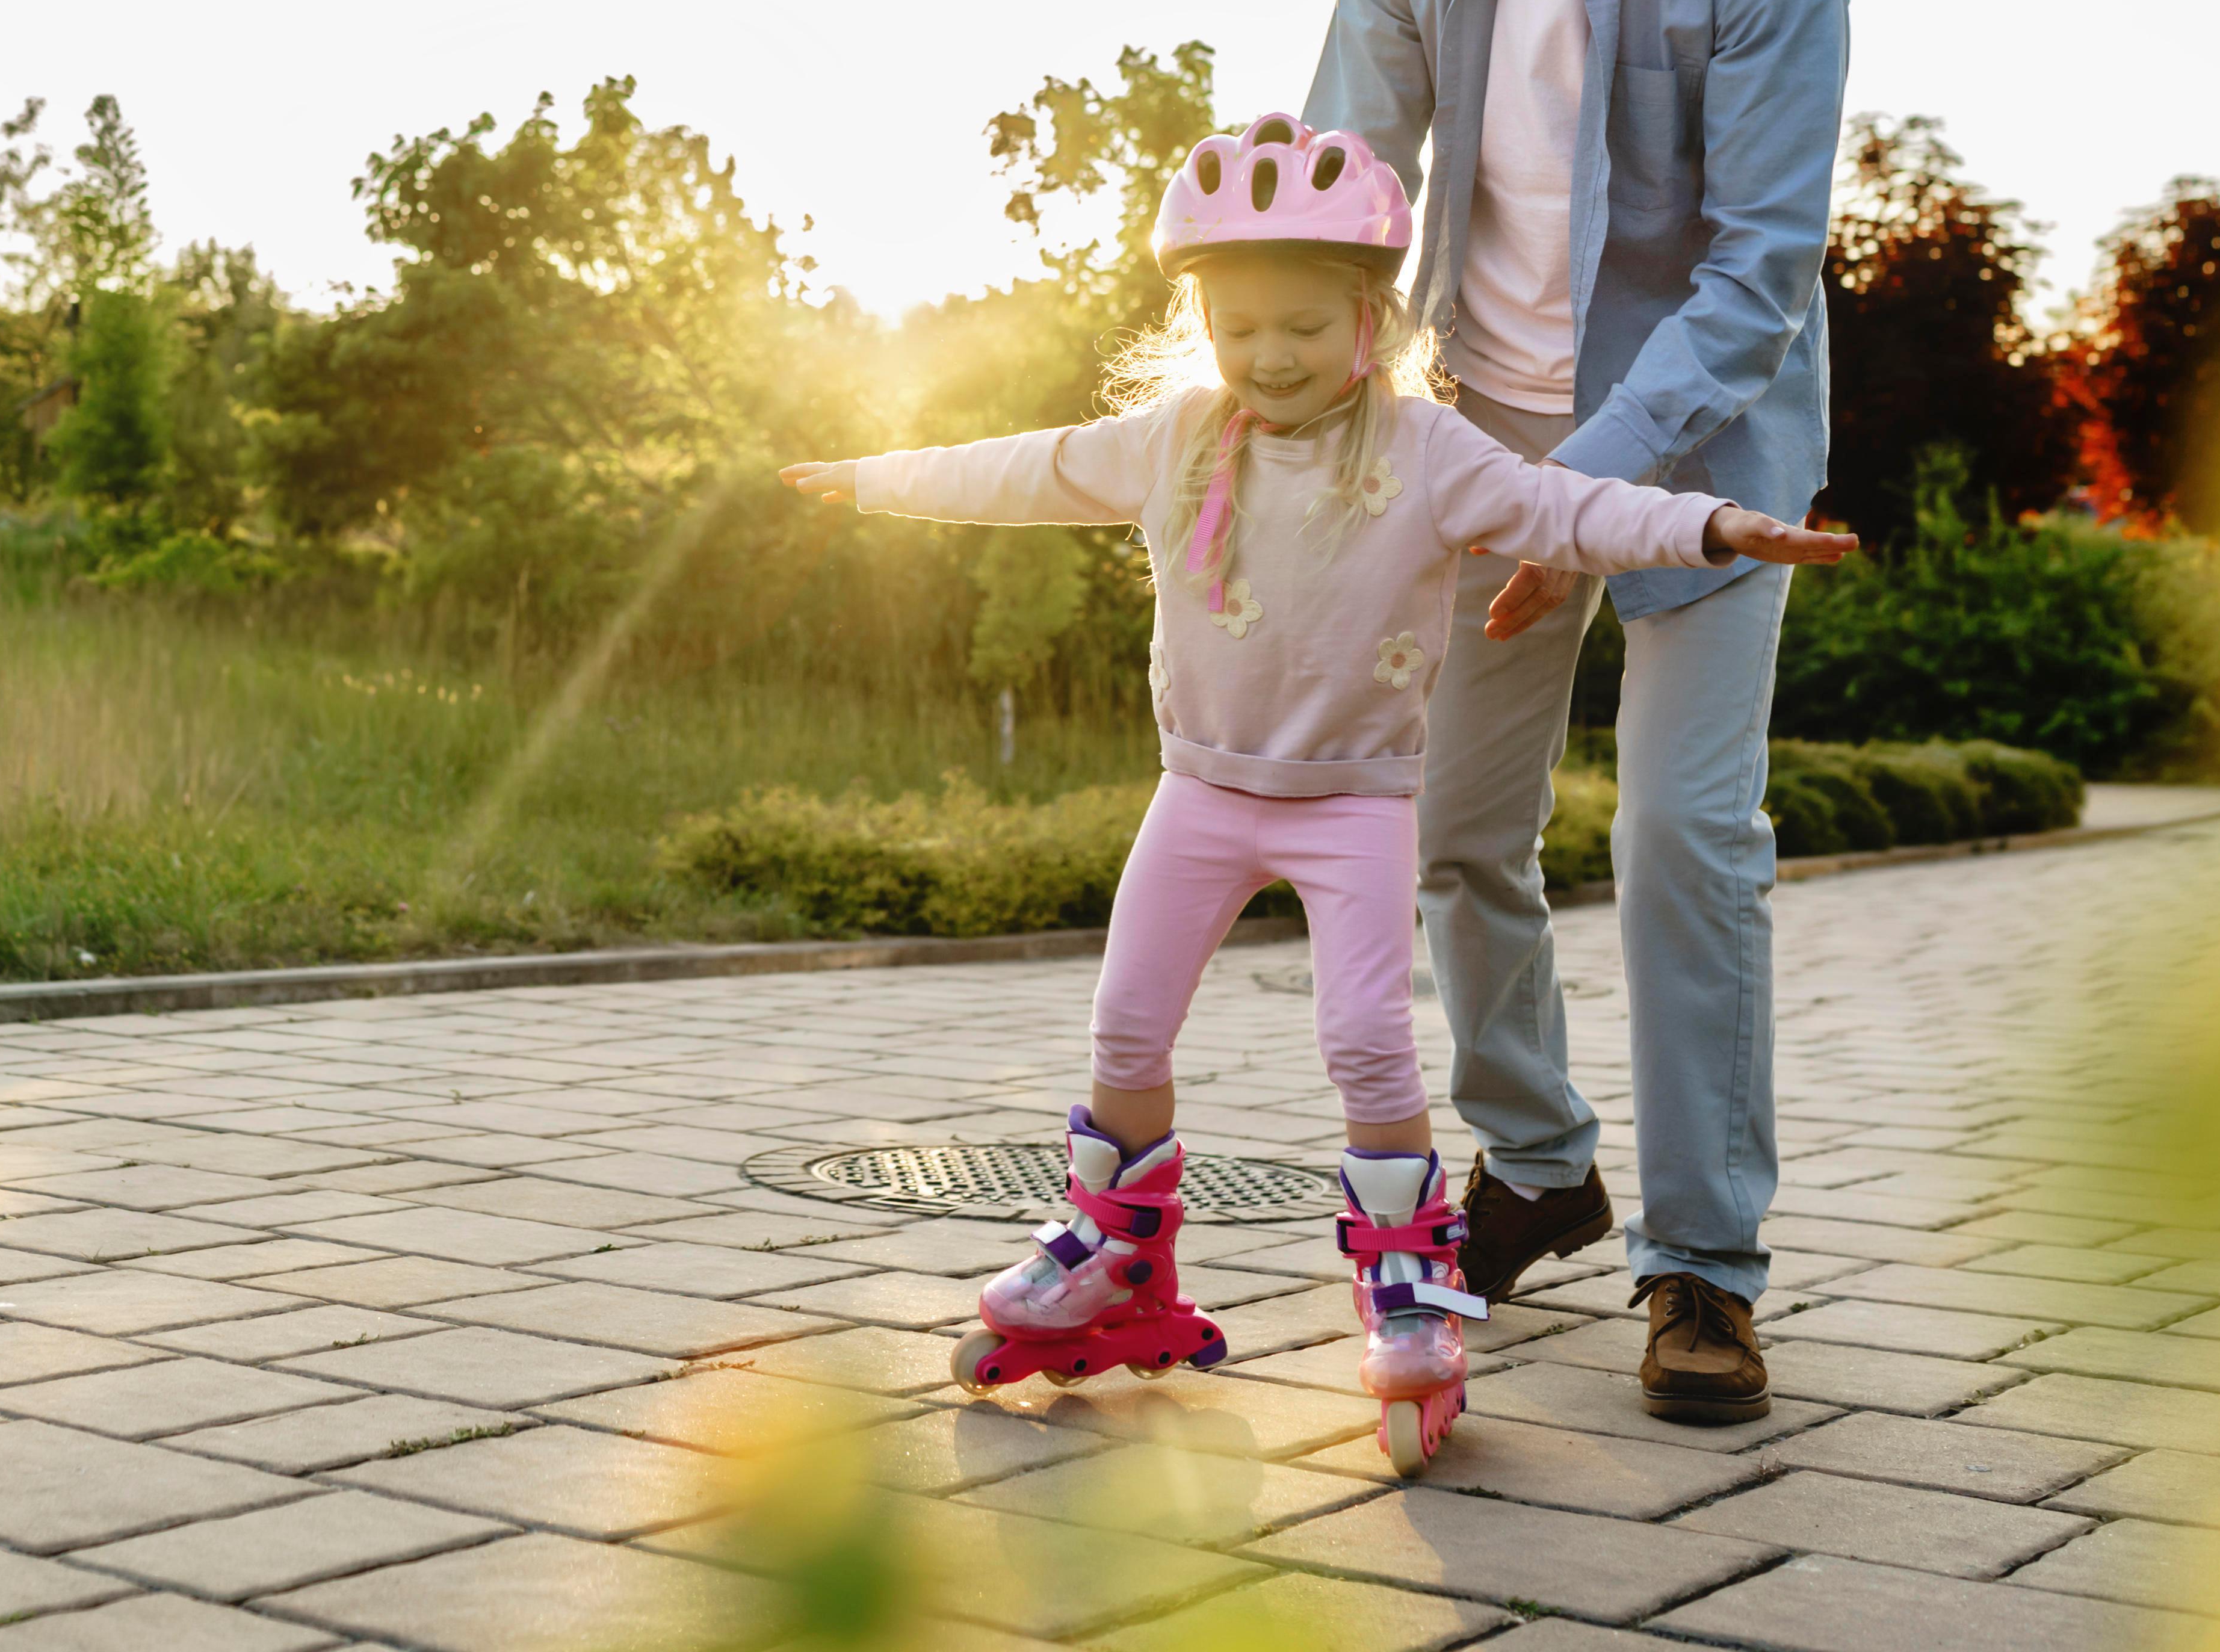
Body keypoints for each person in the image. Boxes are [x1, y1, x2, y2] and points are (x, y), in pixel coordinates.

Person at [781, 114, 1850, 1469]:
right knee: (1125, 1029)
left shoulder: (1426, 449)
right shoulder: (1176, 439)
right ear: (1202, 328)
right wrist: (871, 483)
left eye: (1301, 325)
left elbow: (1567, 509)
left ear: (1370, 318)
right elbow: (1025, 465)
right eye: (1238, 329)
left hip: (1353, 801)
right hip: (1201, 793)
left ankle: (1410, 1287)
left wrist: (1710, 521)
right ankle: (1117, 1261)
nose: (1269, 357)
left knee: (1365, 1042)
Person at [1304, 0, 1849, 1423]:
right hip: (1478, 434)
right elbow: (1347, 201)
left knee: (1681, 847)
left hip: (1708, 450)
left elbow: (1758, 276)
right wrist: (1294, 421)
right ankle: (1533, 1162)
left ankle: (1702, 1272)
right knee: (1450, 831)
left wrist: (1585, 503)